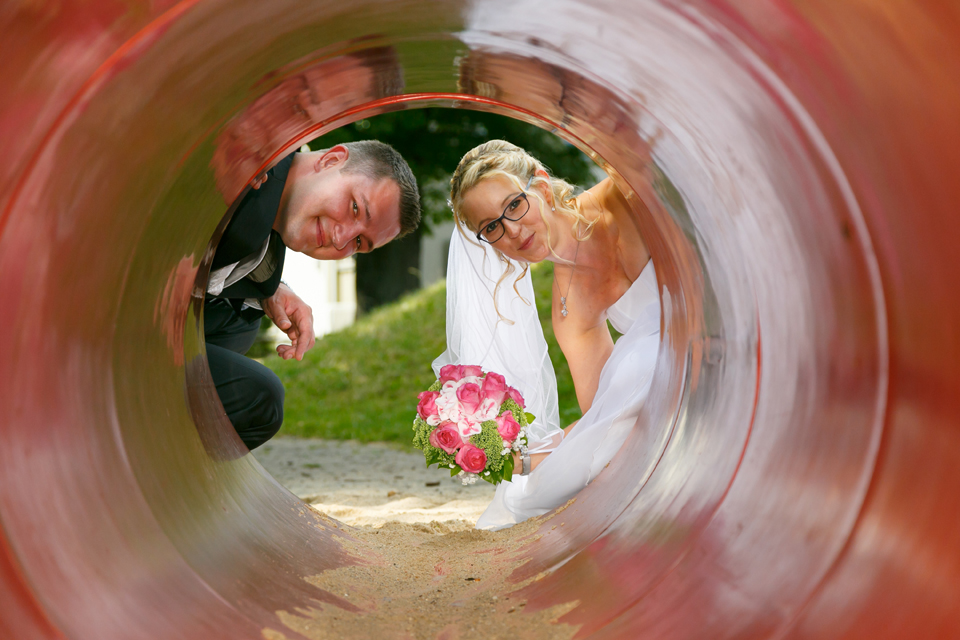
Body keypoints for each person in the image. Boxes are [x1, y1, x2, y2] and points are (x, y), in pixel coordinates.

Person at [439, 140, 660, 530]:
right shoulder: (569, 311)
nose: (512, 230)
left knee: (639, 359)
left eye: (513, 205)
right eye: (491, 227)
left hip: (725, 327)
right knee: (631, 371)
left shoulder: (625, 193)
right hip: (669, 386)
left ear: (541, 186)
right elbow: (608, 416)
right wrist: (518, 459)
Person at [206, 139, 421, 450]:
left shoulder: (269, 233)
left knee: (242, 323)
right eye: (355, 207)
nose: (341, 237)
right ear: (331, 160)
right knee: (259, 401)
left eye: (359, 243)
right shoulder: (250, 169)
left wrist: (272, 290)